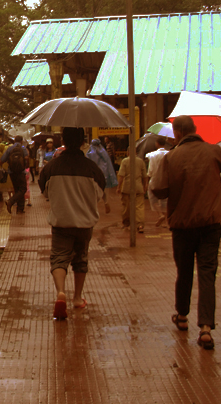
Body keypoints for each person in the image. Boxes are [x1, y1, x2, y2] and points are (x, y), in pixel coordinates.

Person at [150, 115, 221, 350]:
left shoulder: (171, 158)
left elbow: (159, 190)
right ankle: (206, 328)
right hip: (211, 225)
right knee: (207, 273)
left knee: (184, 271)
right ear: (194, 130)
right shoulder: (213, 151)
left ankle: (182, 316)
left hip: (182, 226)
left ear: (178, 134)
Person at [38, 127, 107, 320]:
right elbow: (99, 194)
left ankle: (61, 292)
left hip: (61, 221)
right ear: (83, 142)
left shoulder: (51, 167)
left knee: (59, 257)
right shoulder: (92, 168)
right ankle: (77, 298)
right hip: (85, 223)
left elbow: (44, 193)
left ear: (64, 141)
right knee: (80, 259)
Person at [117, 149, 147, 232]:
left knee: (126, 206)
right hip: (138, 187)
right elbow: (144, 175)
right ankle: (140, 225)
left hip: (127, 187)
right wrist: (145, 185)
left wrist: (119, 187)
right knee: (139, 206)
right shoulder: (141, 161)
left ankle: (126, 223)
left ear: (128, 153)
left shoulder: (125, 161)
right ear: (136, 153)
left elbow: (121, 176)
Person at [0, 135, 29, 214]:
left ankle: (20, 209)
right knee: (23, 189)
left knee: (17, 189)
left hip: (12, 172)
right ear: (21, 141)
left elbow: (3, 159)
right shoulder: (23, 148)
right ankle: (11, 201)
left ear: (14, 141)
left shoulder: (10, 148)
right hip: (21, 172)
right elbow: (26, 157)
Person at [86, 138, 117, 212]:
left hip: (93, 174)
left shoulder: (90, 152)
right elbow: (108, 163)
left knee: (93, 190)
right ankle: (106, 201)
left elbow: (87, 162)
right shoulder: (103, 151)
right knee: (103, 189)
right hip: (103, 173)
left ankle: (94, 205)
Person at [145, 136, 169, 228]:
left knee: (153, 198)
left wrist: (147, 182)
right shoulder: (169, 153)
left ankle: (160, 214)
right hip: (166, 179)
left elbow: (150, 171)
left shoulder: (151, 155)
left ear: (157, 144)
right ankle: (166, 221)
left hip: (154, 179)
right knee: (165, 200)